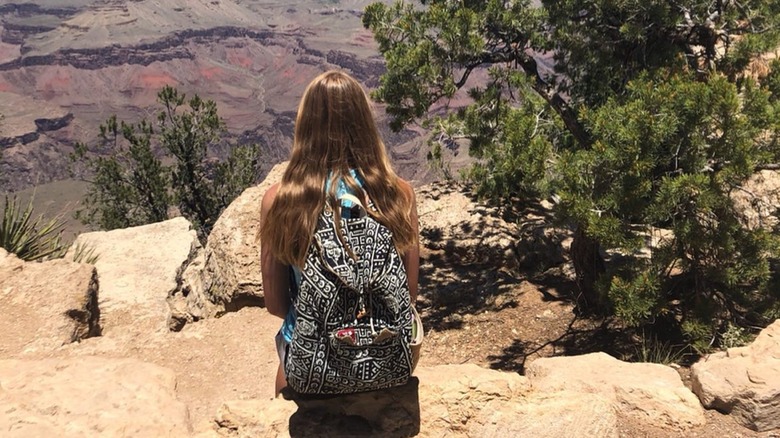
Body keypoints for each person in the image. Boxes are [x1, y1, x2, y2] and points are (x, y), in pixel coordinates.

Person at [260, 70, 420, 396]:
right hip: (390, 358)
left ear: (306, 126)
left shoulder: (282, 199)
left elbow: (276, 305)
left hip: (312, 367)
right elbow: (410, 294)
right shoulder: (398, 194)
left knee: (284, 365)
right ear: (364, 123)